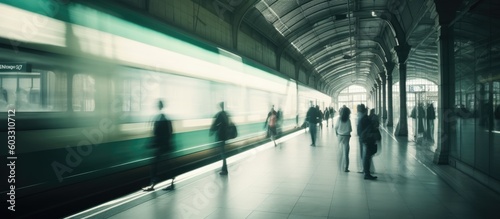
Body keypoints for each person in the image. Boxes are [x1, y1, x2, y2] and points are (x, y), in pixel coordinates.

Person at [143, 100, 174, 191]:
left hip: (162, 146)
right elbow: (169, 133)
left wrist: (152, 144)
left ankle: (154, 185)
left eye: (158, 105)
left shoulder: (162, 118)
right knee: (163, 165)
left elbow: (159, 134)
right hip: (163, 146)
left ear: (160, 106)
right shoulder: (163, 118)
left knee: (156, 165)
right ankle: (169, 183)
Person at [210, 102, 230, 175]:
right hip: (225, 136)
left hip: (221, 136)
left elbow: (215, 124)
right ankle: (224, 168)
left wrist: (212, 131)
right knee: (223, 153)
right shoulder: (225, 114)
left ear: (220, 106)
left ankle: (224, 169)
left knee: (222, 153)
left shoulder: (220, 114)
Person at [359, 108, 378, 180]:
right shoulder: (366, 119)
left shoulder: (364, 119)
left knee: (367, 157)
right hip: (367, 140)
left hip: (365, 140)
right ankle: (367, 173)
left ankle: (367, 172)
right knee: (367, 157)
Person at [335, 106, 352, 172]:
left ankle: (339, 165)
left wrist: (337, 133)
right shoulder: (348, 120)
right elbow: (350, 129)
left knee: (340, 151)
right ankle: (346, 168)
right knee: (346, 153)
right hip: (347, 137)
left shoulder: (339, 119)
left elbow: (336, 127)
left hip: (340, 136)